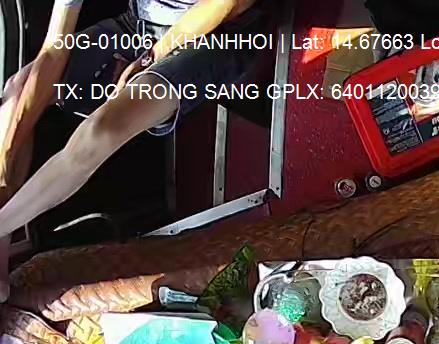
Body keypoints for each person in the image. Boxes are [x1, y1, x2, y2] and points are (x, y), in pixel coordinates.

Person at [0, 0, 268, 302]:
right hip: (135, 26)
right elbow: (53, 50)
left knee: (100, 131)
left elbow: (225, 4)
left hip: (218, 34)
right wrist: (6, 159)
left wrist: (151, 57)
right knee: (18, 90)